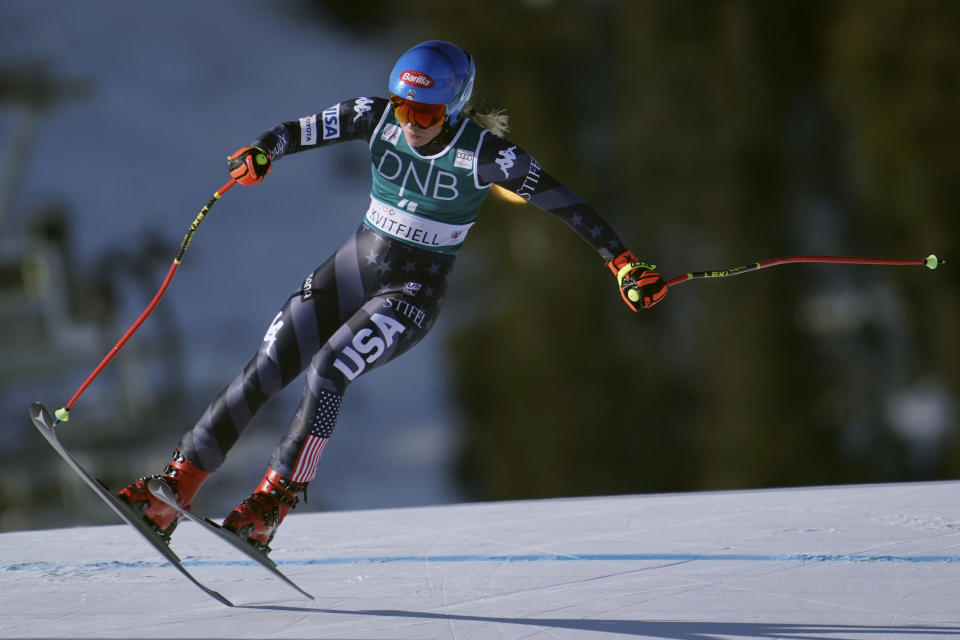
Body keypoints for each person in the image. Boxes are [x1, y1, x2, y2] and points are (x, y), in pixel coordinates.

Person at [117, 40, 668, 552]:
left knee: (330, 368)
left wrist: (622, 263)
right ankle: (175, 488)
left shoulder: (488, 157)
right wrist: (263, 152)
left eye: (425, 115)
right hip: (352, 267)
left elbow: (569, 205)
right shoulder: (374, 115)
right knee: (270, 362)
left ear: (453, 109)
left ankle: (271, 505)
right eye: (404, 108)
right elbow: (299, 130)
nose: (410, 124)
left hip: (411, 292)